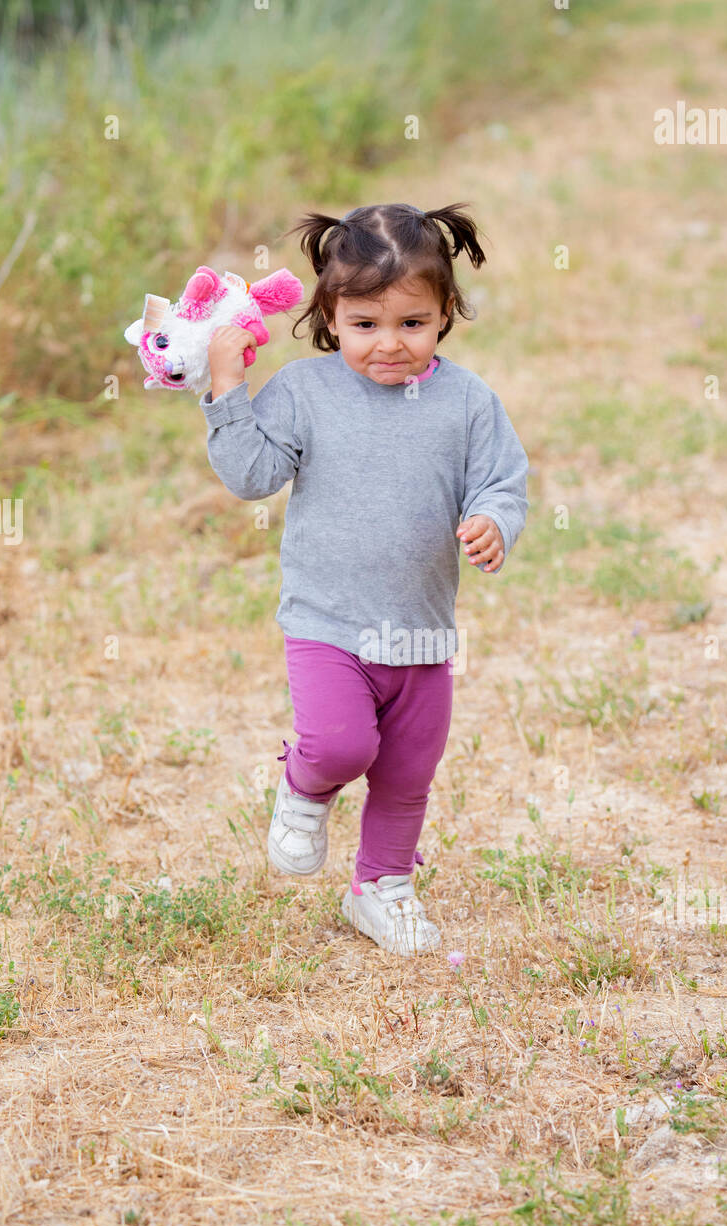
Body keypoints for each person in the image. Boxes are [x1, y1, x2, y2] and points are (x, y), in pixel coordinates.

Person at [200, 202, 528, 957]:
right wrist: (227, 392)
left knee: (409, 772)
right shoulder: (305, 393)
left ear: (445, 312)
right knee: (343, 743)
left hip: (421, 630)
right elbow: (253, 477)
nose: (390, 345)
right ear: (330, 317)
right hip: (328, 623)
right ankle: (305, 787)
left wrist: (493, 521)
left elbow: (502, 482)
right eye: (365, 326)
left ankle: (380, 888)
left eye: (412, 324)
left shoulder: (469, 403)